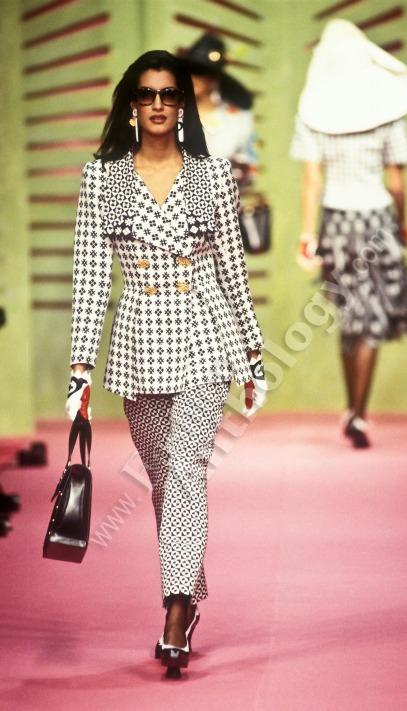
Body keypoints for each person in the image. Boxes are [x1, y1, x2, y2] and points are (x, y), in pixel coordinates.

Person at [65, 50, 265, 676]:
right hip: (139, 344)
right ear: (132, 103)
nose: (158, 104)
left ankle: (175, 612)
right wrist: (79, 371)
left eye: (169, 94)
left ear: (183, 105)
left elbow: (233, 270)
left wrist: (252, 354)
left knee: (185, 471)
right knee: (163, 477)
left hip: (205, 334)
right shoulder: (101, 178)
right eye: (147, 93)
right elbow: (91, 279)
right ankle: (190, 592)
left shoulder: (212, 175)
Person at [290, 19, 407, 448]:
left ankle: (353, 409)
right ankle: (359, 414)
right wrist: (403, 222)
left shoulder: (313, 112)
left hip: (337, 222)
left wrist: (307, 233)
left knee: (351, 315)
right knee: (370, 316)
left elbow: (312, 179)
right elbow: (396, 181)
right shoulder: (386, 111)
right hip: (377, 220)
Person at [180, 33, 258, 188]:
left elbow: (248, 170)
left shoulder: (238, 120)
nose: (191, 79)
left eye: (200, 73)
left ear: (214, 80)